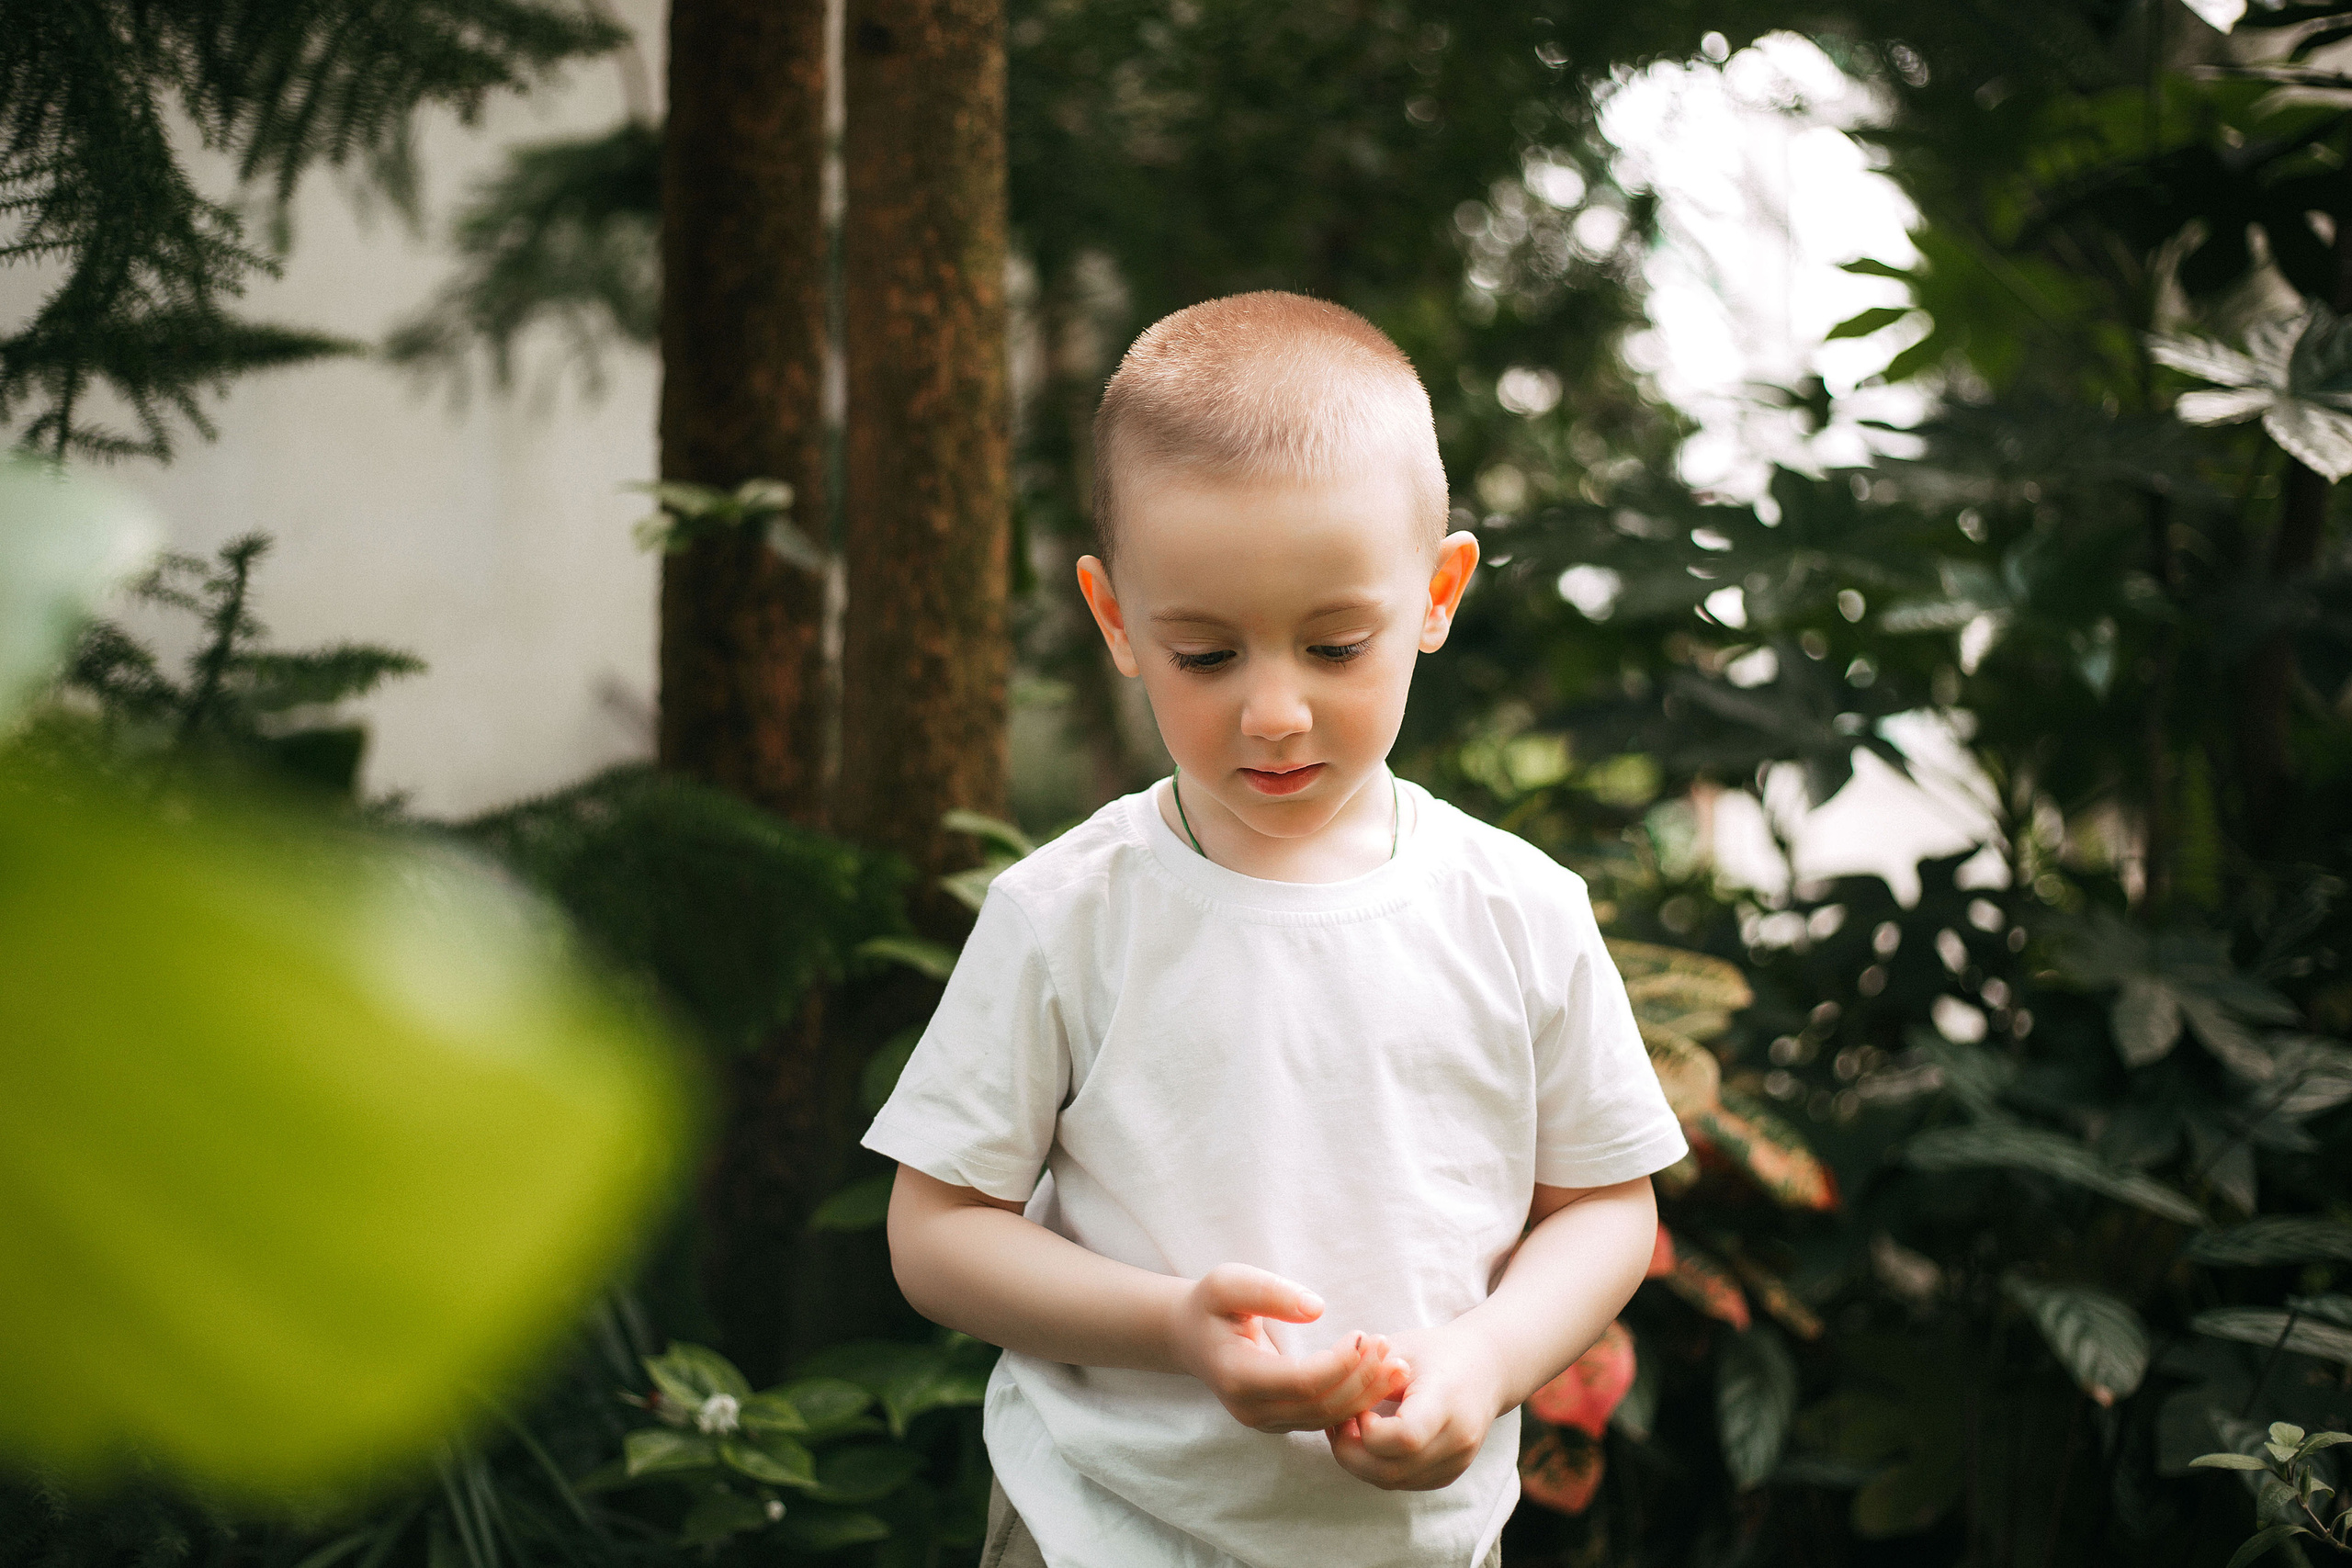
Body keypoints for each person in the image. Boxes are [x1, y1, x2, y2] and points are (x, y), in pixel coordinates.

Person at [865, 291, 1686, 1568]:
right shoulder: (1067, 916)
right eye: (1206, 655)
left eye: (1334, 644)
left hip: (1412, 1543)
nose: (1275, 714)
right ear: (1117, 621)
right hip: (1101, 1528)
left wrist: (1485, 1360)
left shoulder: (1518, 913)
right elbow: (937, 1233)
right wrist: (1177, 1325)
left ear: (1438, 593)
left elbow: (1604, 1207)